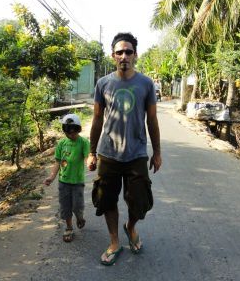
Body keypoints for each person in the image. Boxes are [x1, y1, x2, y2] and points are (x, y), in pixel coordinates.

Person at [87, 32, 162, 266]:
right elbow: (97, 119)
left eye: (128, 51)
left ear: (135, 55)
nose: (124, 56)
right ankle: (113, 242)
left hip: (136, 154)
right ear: (113, 56)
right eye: (119, 52)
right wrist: (91, 151)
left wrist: (157, 152)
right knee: (106, 199)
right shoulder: (103, 84)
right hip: (108, 153)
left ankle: (130, 227)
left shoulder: (146, 84)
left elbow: (152, 120)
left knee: (139, 201)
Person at [44, 113, 90, 243]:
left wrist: (91, 162)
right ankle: (69, 227)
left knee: (77, 206)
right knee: (65, 207)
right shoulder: (62, 143)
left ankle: (80, 217)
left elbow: (87, 157)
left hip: (77, 183)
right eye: (68, 133)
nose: (71, 135)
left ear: (78, 130)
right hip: (63, 182)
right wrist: (52, 177)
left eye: (73, 132)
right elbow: (58, 162)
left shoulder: (83, 142)